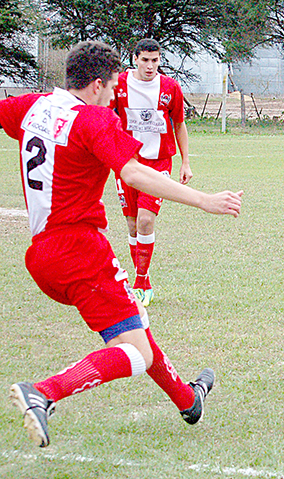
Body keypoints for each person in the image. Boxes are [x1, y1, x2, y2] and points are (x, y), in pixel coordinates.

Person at [0, 41, 243, 448]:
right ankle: (43, 392)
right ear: (97, 85)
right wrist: (204, 200)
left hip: (41, 253)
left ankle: (188, 400)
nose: (116, 94)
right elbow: (133, 173)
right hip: (80, 251)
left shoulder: (31, 106)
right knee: (135, 352)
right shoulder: (92, 119)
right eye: (113, 86)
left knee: (134, 325)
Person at [112, 38, 192, 306]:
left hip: (158, 164)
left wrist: (185, 162)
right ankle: (139, 276)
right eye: (145, 60)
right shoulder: (119, 85)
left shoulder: (170, 87)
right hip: (125, 162)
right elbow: (106, 119)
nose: (150, 66)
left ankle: (141, 282)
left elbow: (179, 124)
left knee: (146, 221)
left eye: (155, 60)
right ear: (134, 58)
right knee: (133, 224)